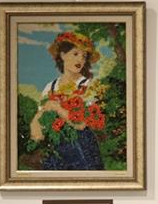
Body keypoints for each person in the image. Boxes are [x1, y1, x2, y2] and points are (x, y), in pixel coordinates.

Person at [29, 31, 106, 170]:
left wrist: (57, 108)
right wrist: (36, 124)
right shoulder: (50, 87)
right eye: (75, 54)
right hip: (55, 145)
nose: (80, 59)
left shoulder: (89, 86)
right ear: (63, 55)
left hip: (81, 144)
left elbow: (81, 124)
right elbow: (40, 118)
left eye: (84, 56)